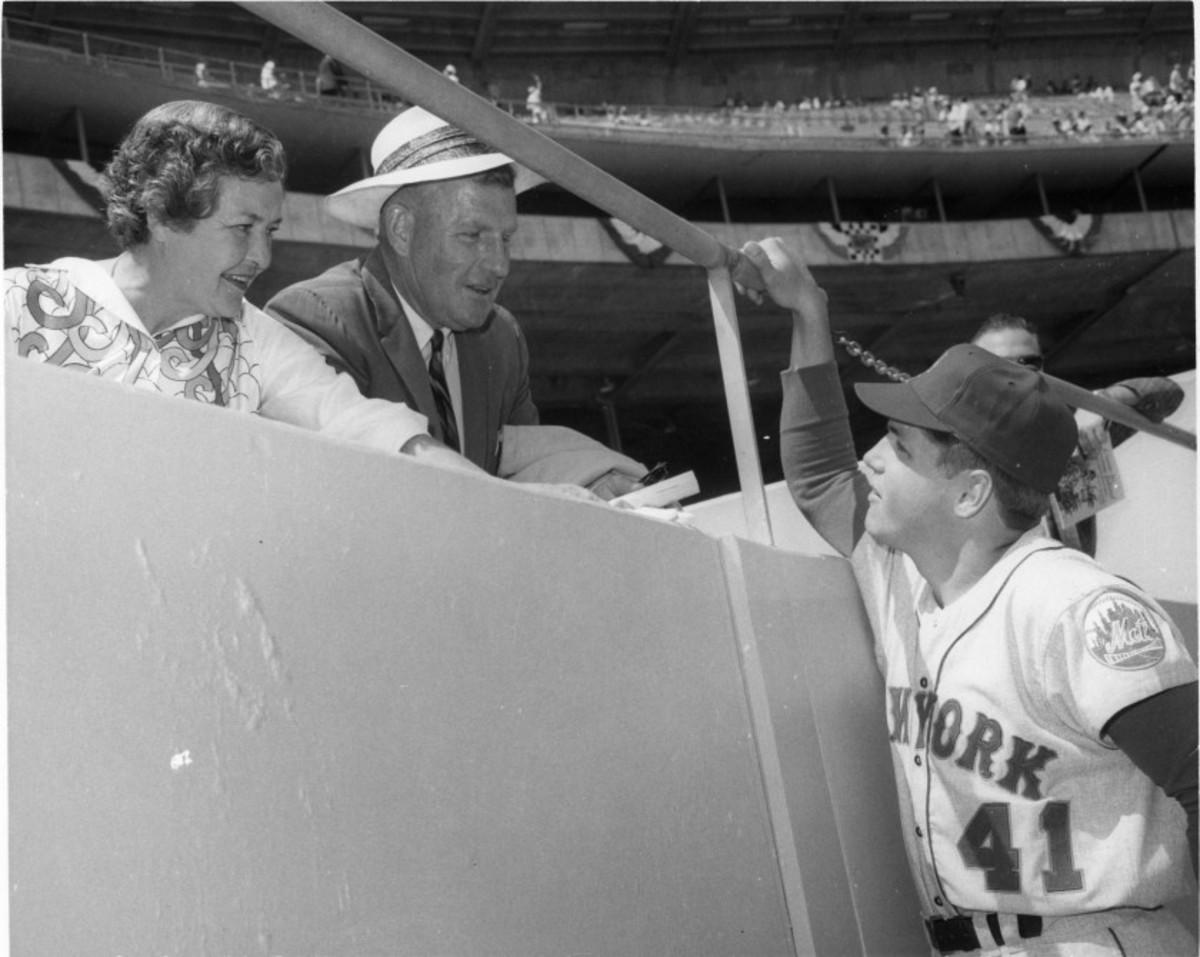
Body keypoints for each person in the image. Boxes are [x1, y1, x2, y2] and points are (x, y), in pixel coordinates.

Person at [743, 236, 1197, 956]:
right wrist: (807, 310)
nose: (872, 457)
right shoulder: (899, 568)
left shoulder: (1078, 607)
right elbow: (820, 476)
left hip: (1094, 938)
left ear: (970, 490)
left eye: (898, 443)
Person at [4, 100, 480, 478]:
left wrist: (496, 501)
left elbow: (366, 425)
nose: (262, 257)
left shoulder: (253, 341)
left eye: (269, 231)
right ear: (161, 213)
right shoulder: (18, 302)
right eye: (242, 227)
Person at [265, 106, 645, 496]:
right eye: (471, 235)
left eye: (505, 239)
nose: (499, 265)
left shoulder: (502, 337)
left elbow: (514, 466)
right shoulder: (315, 319)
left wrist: (594, 479)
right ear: (401, 229)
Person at [970, 313, 1185, 554]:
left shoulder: (1067, 429)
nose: (1015, 374)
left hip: (1068, 581)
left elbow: (1166, 393)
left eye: (1027, 362)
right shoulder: (952, 440)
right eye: (998, 364)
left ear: (1042, 367)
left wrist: (1100, 405)